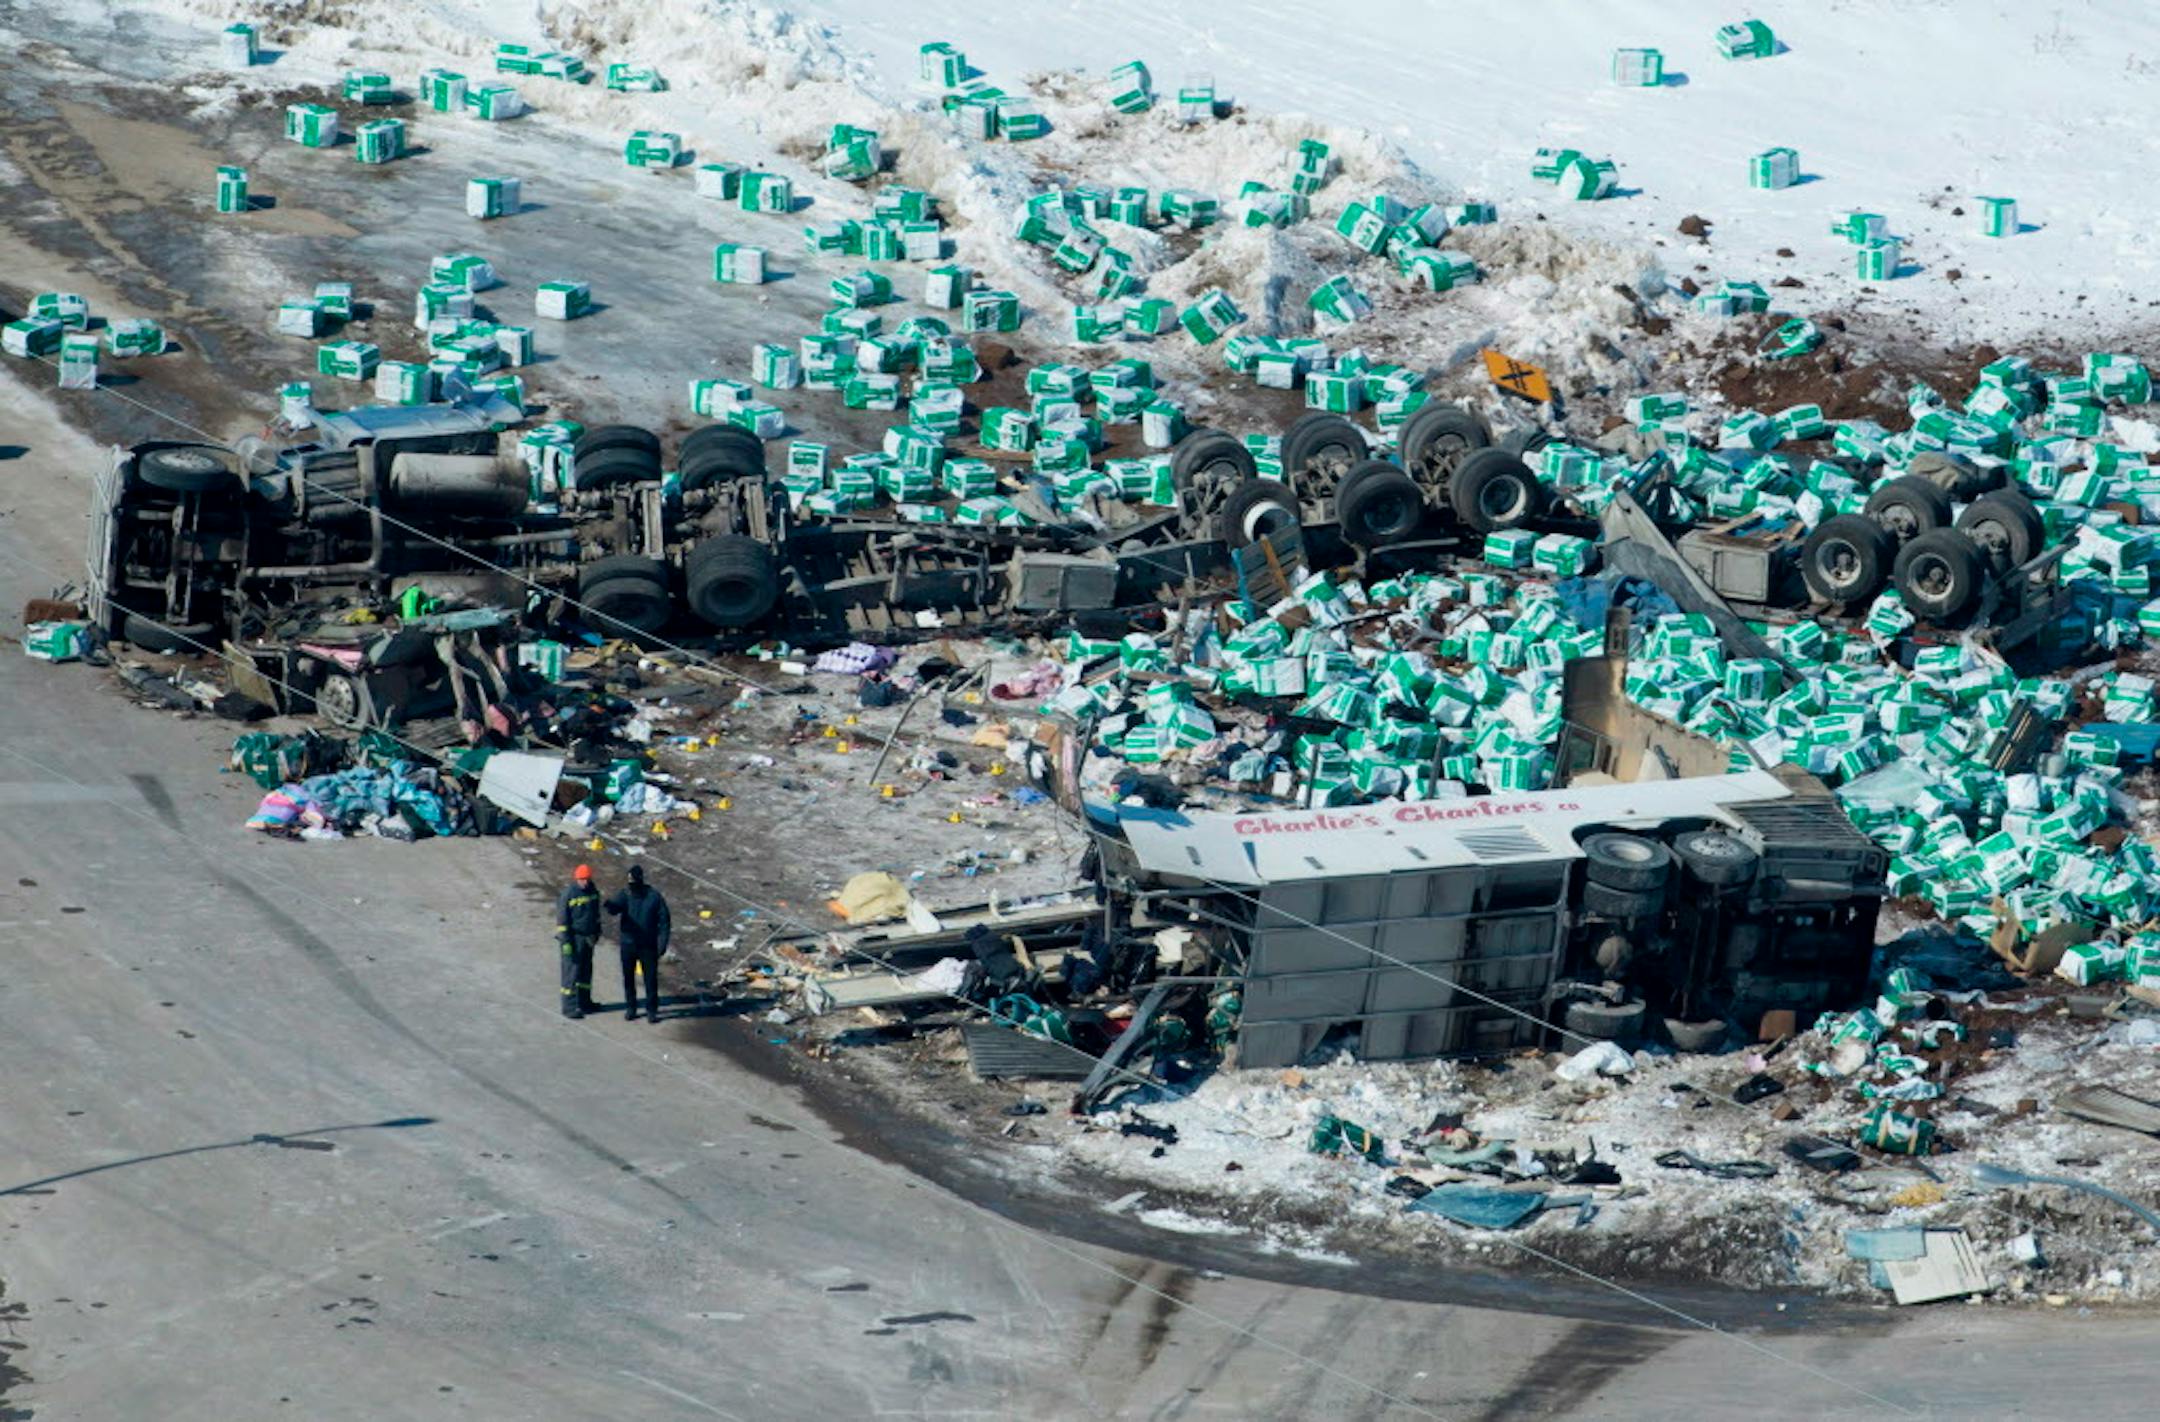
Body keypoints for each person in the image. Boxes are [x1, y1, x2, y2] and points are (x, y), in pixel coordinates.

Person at [604, 864, 671, 1023]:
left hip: (648, 945)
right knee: (628, 978)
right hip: (628, 944)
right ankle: (631, 1008)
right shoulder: (625, 894)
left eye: (633, 880)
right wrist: (609, 905)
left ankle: (652, 1010)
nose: (631, 884)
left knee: (650, 979)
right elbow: (614, 909)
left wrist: (662, 944)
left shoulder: (654, 897)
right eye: (629, 881)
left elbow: (665, 922)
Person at [555, 864, 602, 1019]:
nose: (585, 882)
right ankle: (569, 1007)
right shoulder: (568, 894)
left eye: (587, 879)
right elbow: (562, 920)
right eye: (582, 879)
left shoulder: (593, 891)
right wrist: (566, 941)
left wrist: (597, 931)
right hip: (574, 938)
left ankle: (585, 1003)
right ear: (577, 879)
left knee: (585, 971)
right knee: (571, 973)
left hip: (587, 938)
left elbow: (595, 914)